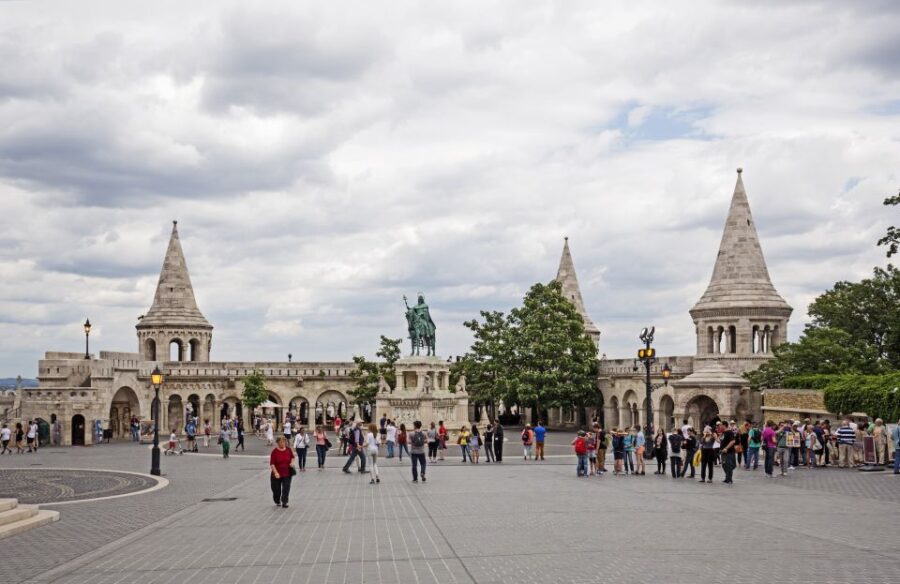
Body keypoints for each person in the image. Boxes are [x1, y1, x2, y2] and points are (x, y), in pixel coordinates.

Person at [269, 436, 295, 508]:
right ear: (277, 443)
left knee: (286, 488)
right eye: (281, 442)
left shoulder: (288, 450)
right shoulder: (274, 452)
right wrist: (276, 472)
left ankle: (284, 502)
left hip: (287, 473)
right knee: (276, 490)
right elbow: (272, 464)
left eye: (284, 442)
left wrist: (292, 463)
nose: (283, 443)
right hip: (276, 474)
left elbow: (293, 457)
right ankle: (277, 500)